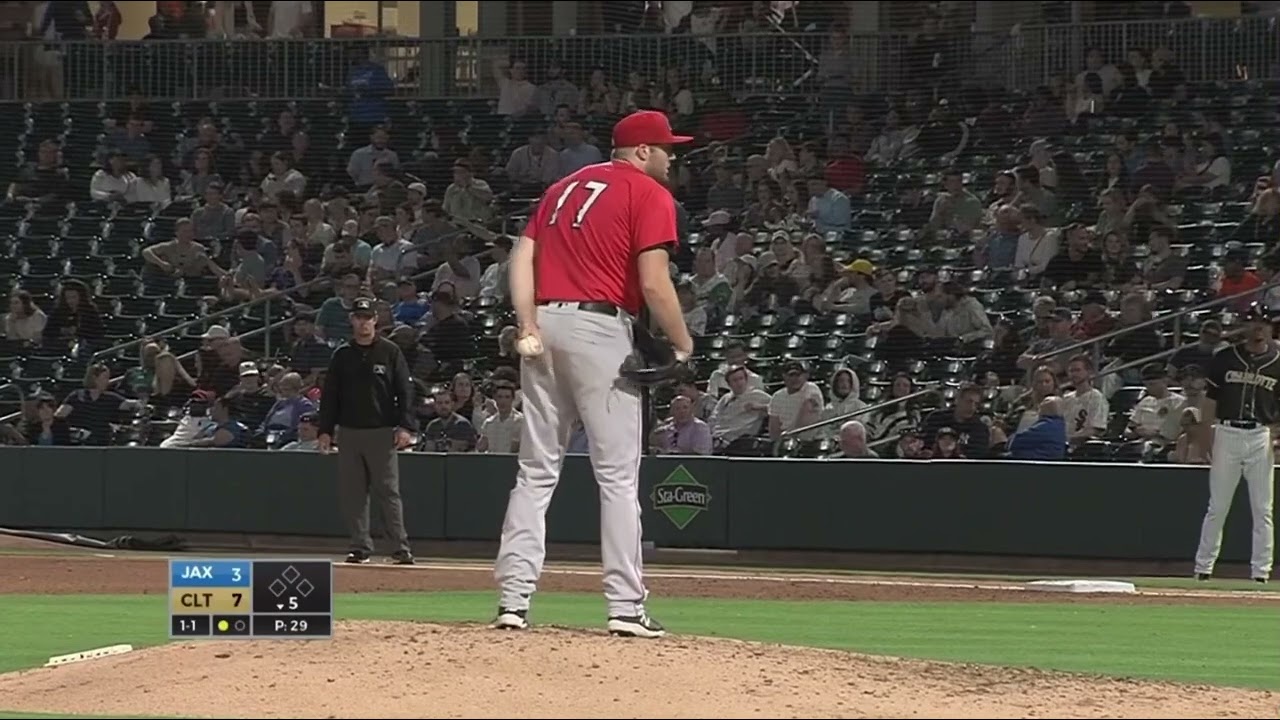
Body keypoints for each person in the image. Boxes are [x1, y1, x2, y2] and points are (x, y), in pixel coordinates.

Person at [491, 110, 694, 638]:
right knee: (618, 476)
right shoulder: (649, 194)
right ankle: (625, 607)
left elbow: (522, 259)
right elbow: (653, 284)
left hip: (546, 327)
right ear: (642, 152)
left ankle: (513, 602)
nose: (672, 158)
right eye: (667, 149)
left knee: (535, 470)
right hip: (599, 328)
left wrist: (527, 322)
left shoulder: (561, 187)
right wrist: (682, 343)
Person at [317, 297, 418, 565]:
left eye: (368, 317)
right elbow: (330, 396)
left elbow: (405, 390)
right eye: (359, 317)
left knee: (388, 491)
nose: (363, 322)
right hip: (349, 431)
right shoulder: (342, 355)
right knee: (353, 493)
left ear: (376, 319)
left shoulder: (390, 351)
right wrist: (325, 430)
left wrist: (406, 426)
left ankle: (400, 547)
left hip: (381, 431)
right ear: (352, 320)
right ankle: (360, 546)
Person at [1193, 303, 1277, 583]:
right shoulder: (1226, 357)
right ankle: (1203, 567)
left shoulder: (1278, 360)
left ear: (1270, 327)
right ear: (1245, 325)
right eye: (1254, 321)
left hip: (1260, 434)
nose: (1259, 327)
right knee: (1217, 505)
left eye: (1263, 322)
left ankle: (1261, 572)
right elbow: (1209, 400)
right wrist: (1206, 434)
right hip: (1227, 432)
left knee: (1262, 509)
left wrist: (1277, 436)